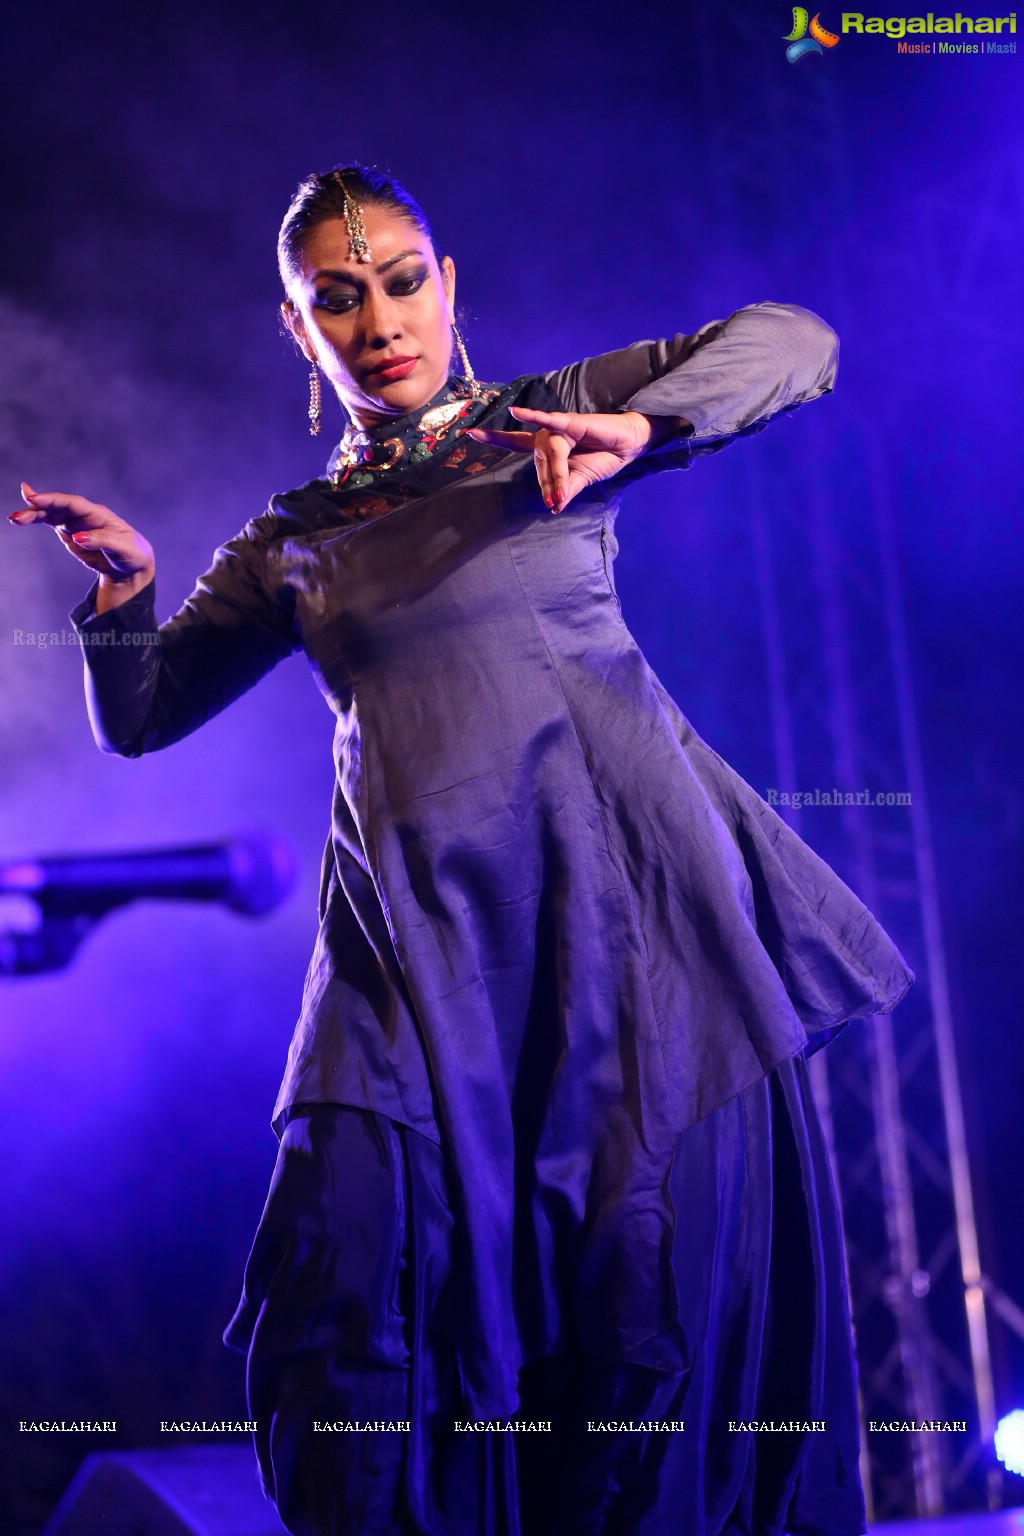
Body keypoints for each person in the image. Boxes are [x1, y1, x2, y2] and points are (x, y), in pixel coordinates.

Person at [11, 164, 914, 1536]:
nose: (378, 318)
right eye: (337, 298)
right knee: (343, 1289)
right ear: (297, 332)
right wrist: (127, 593)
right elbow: (141, 714)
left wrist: (637, 421)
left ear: (449, 285)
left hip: (618, 928)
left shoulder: (541, 422)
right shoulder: (291, 542)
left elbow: (803, 342)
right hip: (409, 957)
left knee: (632, 1310)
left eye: (402, 281)